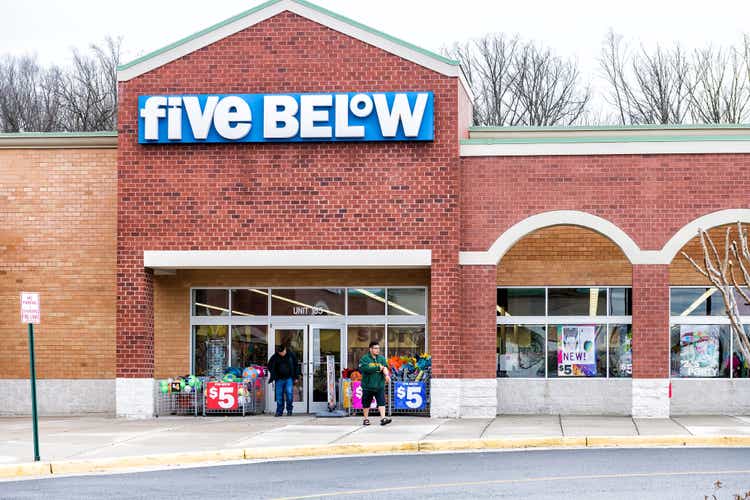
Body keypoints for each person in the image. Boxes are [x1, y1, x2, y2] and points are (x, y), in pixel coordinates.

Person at [358, 340, 392, 426]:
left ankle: (383, 418)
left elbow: (384, 368)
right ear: (370, 349)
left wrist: (387, 375)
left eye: (378, 348)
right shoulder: (365, 359)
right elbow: (364, 368)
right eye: (375, 348)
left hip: (379, 385)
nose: (377, 350)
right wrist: (377, 367)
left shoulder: (381, 358)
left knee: (382, 402)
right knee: (366, 403)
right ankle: (366, 419)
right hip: (367, 386)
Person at [268, 344, 300, 416]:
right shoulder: (275, 356)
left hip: (289, 378)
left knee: (289, 394)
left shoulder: (291, 355)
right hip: (279, 379)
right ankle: (279, 411)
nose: (281, 354)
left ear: (285, 349)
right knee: (279, 396)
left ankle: (289, 410)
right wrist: (274, 374)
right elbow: (269, 365)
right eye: (280, 353)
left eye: (282, 352)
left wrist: (296, 377)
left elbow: (296, 366)